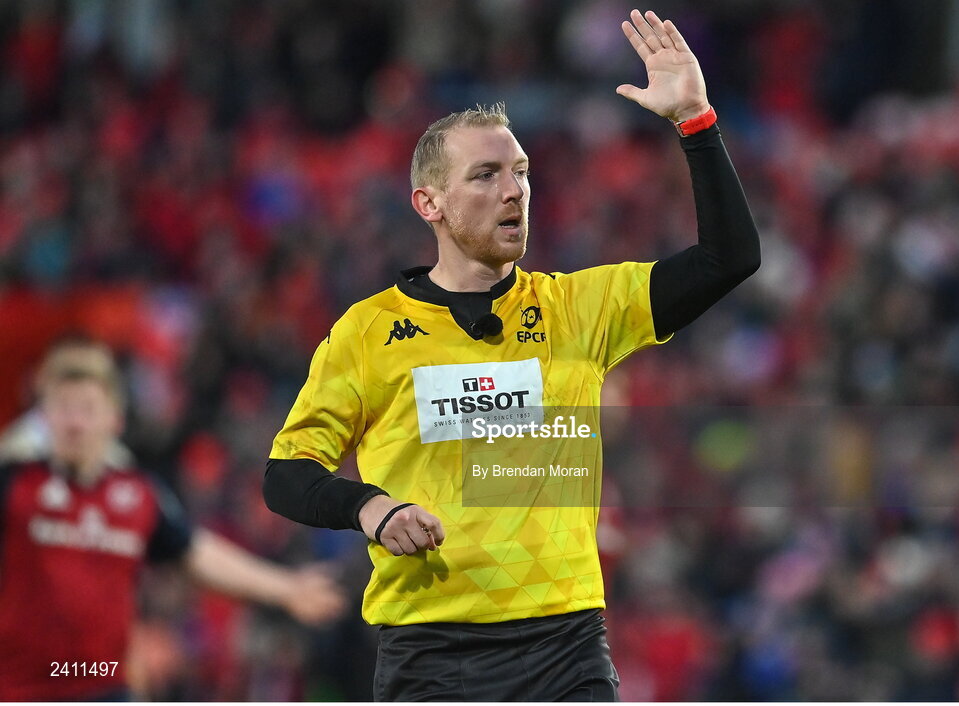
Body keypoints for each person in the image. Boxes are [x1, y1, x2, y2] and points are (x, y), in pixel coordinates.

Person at [264, 8, 760, 701]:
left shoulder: (578, 308)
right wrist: (372, 509)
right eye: (487, 174)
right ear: (428, 203)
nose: (514, 190)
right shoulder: (367, 332)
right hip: (434, 652)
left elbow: (728, 258)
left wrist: (697, 122)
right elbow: (286, 474)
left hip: (567, 646)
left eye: (521, 172)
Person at [0, 338, 347, 701]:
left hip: (104, 689)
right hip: (19, 691)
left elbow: (194, 554)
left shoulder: (137, 495)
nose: (74, 423)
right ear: (44, 416)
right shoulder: (14, 485)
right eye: (63, 408)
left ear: (114, 419)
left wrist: (287, 588)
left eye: (87, 409)